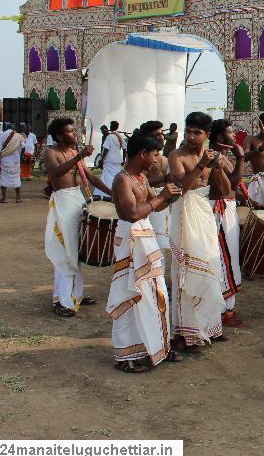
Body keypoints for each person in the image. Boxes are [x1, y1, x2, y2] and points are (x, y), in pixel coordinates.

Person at [108, 131, 183, 373]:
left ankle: (158, 345)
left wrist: (173, 193)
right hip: (131, 238)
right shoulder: (123, 179)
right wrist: (162, 196)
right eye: (155, 154)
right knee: (131, 294)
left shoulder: (140, 177)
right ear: (142, 153)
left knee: (156, 292)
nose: (156, 160)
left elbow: (158, 206)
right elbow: (132, 213)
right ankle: (126, 356)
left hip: (146, 237)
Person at [168, 112, 227, 350]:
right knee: (186, 271)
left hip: (203, 213)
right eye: (188, 131)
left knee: (208, 266)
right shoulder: (176, 156)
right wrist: (202, 165)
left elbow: (222, 191)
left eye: (197, 132)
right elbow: (180, 188)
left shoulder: (210, 156)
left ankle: (208, 325)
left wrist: (219, 168)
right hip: (184, 213)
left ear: (207, 135)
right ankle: (185, 333)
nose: (191, 136)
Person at [44, 117, 111, 317]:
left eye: (74, 131)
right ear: (59, 135)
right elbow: (56, 173)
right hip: (63, 203)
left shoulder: (73, 152)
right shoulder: (51, 153)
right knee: (66, 252)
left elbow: (91, 178)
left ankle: (76, 294)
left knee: (76, 250)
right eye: (70, 132)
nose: (75, 134)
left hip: (76, 199)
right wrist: (80, 155)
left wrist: (111, 193)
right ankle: (62, 302)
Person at [209, 118, 249, 329]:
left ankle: (227, 309)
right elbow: (231, 184)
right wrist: (241, 157)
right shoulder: (216, 157)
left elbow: (233, 188)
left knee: (230, 258)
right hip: (219, 211)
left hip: (227, 208)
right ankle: (222, 311)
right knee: (223, 258)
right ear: (219, 137)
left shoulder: (223, 156)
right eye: (231, 133)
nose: (234, 136)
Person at [138, 121, 171, 275]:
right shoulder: (142, 156)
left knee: (161, 242)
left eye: (162, 133)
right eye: (157, 134)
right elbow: (138, 180)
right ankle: (153, 278)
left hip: (162, 202)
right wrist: (164, 181)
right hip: (147, 202)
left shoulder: (164, 157)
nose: (162, 136)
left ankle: (160, 278)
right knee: (151, 242)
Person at [94, 121, 125, 197]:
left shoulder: (109, 136)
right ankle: (117, 192)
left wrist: (101, 159)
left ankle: (105, 193)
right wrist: (124, 159)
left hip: (109, 160)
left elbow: (106, 149)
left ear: (111, 127)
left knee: (106, 177)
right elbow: (125, 149)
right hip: (118, 160)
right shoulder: (120, 136)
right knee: (116, 177)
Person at [0, 123, 24, 204]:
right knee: (16, 179)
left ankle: (4, 198)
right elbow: (23, 146)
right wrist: (20, 157)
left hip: (5, 161)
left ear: (6, 128)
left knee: (4, 179)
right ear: (13, 129)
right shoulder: (18, 136)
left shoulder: (2, 135)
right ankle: (18, 198)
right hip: (16, 161)